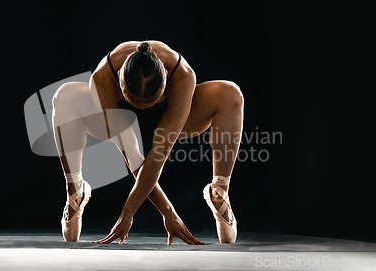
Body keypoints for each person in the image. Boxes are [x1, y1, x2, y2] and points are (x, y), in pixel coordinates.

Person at [52, 40, 243, 245]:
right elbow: (132, 156)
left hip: (170, 118)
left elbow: (159, 154)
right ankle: (75, 188)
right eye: (135, 103)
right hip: (120, 120)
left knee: (229, 93)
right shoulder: (102, 78)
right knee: (66, 94)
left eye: (149, 103)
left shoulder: (183, 75)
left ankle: (220, 190)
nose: (143, 109)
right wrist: (165, 212)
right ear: (118, 79)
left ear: (167, 80)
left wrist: (131, 211)